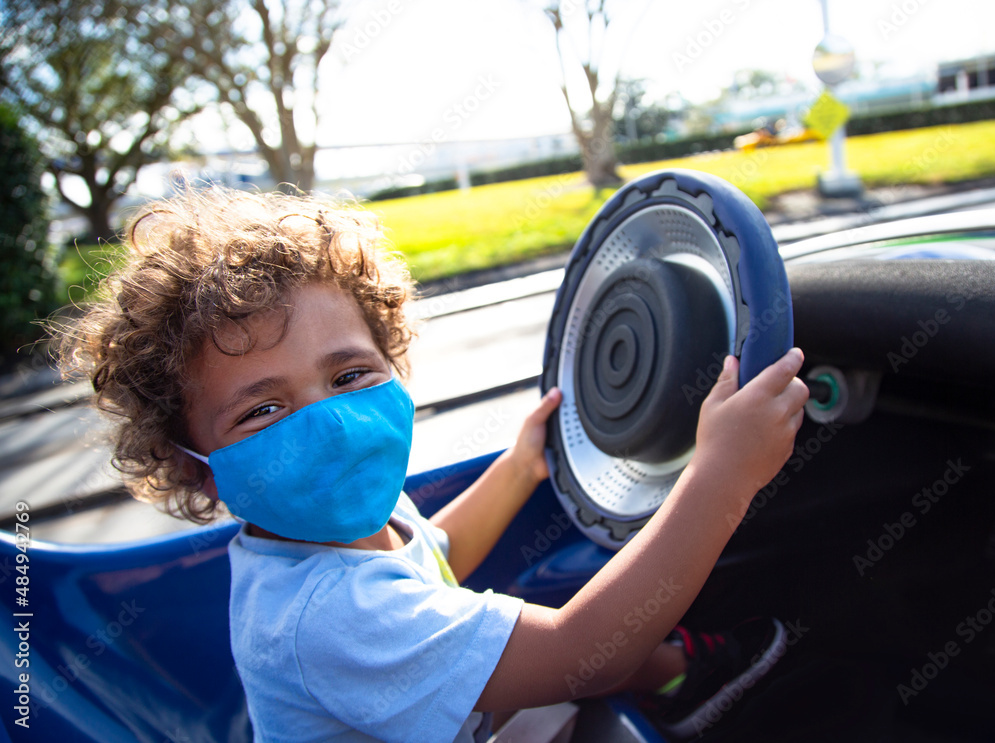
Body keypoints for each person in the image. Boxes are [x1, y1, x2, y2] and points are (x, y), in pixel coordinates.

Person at [58, 187, 809, 742]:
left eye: (350, 375)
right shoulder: (327, 618)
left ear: (394, 361)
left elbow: (433, 554)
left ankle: (679, 667)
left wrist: (518, 467)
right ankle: (688, 673)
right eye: (263, 409)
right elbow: (583, 654)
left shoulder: (342, 523)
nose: (330, 423)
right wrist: (722, 475)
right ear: (195, 467)